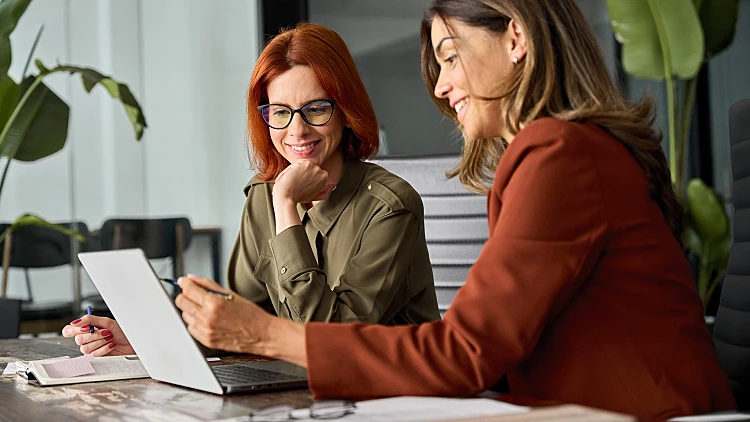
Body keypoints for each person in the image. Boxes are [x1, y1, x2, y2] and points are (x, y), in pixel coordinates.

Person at [69, 1, 737, 418]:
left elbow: (465, 351)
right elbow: (490, 346)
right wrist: (162, 337)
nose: (442, 88)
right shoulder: (567, 151)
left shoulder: (558, 152)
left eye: (449, 57)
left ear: (517, 38)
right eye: (277, 112)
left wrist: (261, 334)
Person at [62, 23, 441, 356]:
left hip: (383, 396)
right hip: (292, 390)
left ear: (345, 110)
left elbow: (330, 340)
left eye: (316, 109)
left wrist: (286, 206)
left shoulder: (389, 206)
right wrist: (142, 338)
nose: (297, 131)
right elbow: (240, 319)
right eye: (280, 112)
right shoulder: (263, 195)